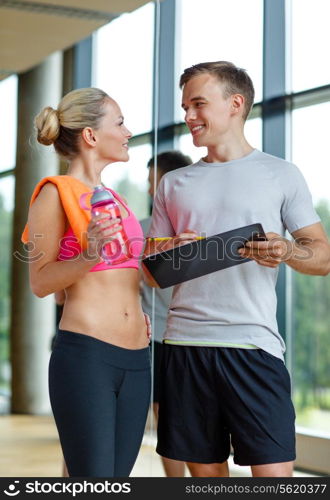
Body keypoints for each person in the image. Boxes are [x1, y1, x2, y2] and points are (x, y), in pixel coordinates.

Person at [143, 61, 330, 478]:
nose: (188, 116)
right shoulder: (174, 185)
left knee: (274, 479)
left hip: (254, 346)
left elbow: (322, 257)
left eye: (198, 104)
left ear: (235, 104)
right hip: (184, 347)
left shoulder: (281, 174)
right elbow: (152, 273)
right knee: (206, 480)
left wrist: (286, 251)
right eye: (185, 106)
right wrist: (171, 250)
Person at [21, 88, 151, 477]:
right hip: (88, 358)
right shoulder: (53, 193)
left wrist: (175, 251)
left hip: (137, 360)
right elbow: (41, 283)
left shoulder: (116, 199)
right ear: (91, 136)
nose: (128, 131)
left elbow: (128, 274)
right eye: (120, 122)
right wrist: (90, 253)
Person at [140, 151, 192, 477]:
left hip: (181, 338)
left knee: (169, 417)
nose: (149, 191)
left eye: (152, 183)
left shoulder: (144, 229)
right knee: (170, 417)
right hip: (157, 337)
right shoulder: (143, 229)